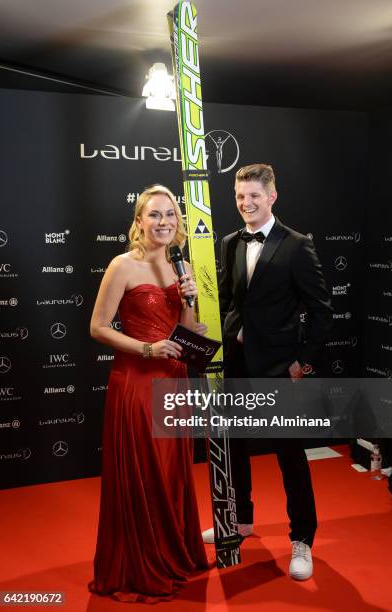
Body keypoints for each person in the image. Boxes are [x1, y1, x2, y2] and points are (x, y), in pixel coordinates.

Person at [202, 164, 333, 581]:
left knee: (290, 457)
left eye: (254, 196)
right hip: (236, 365)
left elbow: (322, 311)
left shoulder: (296, 245)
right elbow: (228, 299)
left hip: (279, 370)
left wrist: (303, 361)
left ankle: (302, 539)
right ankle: (240, 523)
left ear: (272, 196)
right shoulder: (228, 242)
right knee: (235, 449)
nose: (246, 203)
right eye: (240, 196)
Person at [88, 184, 208, 603]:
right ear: (139, 221)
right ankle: (142, 559)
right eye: (154, 215)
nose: (164, 222)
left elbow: (188, 328)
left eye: (170, 214)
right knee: (147, 471)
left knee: (173, 470)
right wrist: (146, 348)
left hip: (175, 382)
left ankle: (174, 548)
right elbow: (98, 327)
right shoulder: (122, 265)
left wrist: (193, 312)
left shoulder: (183, 265)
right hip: (137, 383)